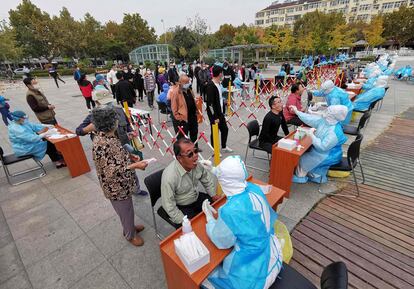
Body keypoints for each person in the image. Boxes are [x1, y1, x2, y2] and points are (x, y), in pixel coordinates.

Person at [201, 156, 283, 289]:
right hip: (271, 252)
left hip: (251, 270)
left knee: (206, 278)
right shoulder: (253, 188)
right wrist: (215, 170)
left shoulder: (231, 211)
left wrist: (209, 218)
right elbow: (234, 181)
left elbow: (220, 241)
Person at [91, 106, 148, 246]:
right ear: (110, 122)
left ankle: (130, 227)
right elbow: (111, 171)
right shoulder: (102, 144)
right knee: (125, 211)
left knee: (127, 210)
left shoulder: (109, 137)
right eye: (115, 119)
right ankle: (130, 235)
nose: (118, 121)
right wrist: (136, 166)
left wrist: (130, 157)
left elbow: (117, 156)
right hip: (116, 187)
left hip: (123, 183)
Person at [161, 138, 218, 226]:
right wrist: (183, 220)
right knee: (197, 228)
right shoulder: (170, 177)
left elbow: (206, 179)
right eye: (190, 154)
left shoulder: (197, 164)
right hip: (181, 206)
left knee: (218, 210)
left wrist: (213, 195)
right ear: (179, 158)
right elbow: (169, 205)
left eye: (196, 151)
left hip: (196, 197)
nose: (195, 156)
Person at [290, 105, 348, 184]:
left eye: (328, 112)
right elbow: (311, 119)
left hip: (326, 155)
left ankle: (301, 177)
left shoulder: (334, 132)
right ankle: (314, 175)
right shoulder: (326, 121)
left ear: (334, 116)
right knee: (305, 156)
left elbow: (322, 147)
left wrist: (312, 135)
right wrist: (297, 112)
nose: (325, 113)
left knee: (302, 159)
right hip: (320, 152)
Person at [206, 65, 233, 153]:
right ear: (220, 74)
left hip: (220, 112)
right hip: (214, 114)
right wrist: (214, 117)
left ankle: (224, 147)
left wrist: (224, 103)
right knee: (215, 132)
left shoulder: (218, 83)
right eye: (222, 73)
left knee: (225, 129)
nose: (223, 74)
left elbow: (218, 98)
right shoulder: (211, 85)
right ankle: (215, 150)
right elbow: (209, 104)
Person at [170, 73, 199, 143]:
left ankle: (194, 150)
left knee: (194, 135)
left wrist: (196, 110)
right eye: (186, 82)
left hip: (192, 117)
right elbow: (174, 108)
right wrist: (179, 118)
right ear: (180, 83)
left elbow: (193, 101)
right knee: (183, 139)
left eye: (188, 82)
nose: (188, 84)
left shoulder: (189, 90)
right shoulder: (176, 92)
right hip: (183, 119)